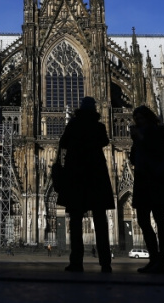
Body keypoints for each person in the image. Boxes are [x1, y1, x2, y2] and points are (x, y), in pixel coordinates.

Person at [57, 96, 114, 273]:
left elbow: (63, 142)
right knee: (100, 220)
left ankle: (76, 262)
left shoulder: (74, 124)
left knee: (75, 220)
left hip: (76, 175)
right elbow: (105, 142)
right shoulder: (99, 126)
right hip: (96, 174)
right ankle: (105, 263)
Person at [130, 104, 164, 274]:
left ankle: (162, 260)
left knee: (160, 219)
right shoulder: (138, 135)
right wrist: (136, 141)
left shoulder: (160, 131)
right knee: (143, 221)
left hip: (158, 180)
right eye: (136, 119)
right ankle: (154, 259)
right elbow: (133, 157)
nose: (138, 121)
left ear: (148, 117)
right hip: (143, 181)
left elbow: (159, 151)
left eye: (141, 118)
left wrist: (142, 138)